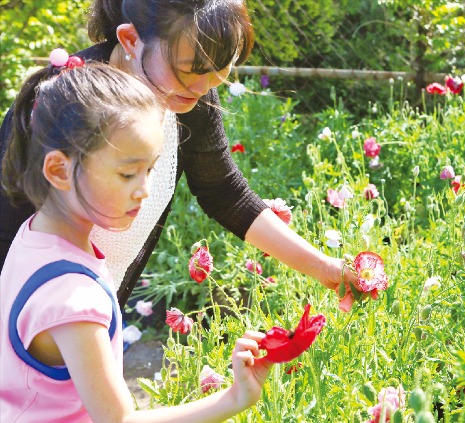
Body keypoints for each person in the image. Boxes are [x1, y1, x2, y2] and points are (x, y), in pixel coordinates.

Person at [0, 0, 356, 308]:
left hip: (93, 311)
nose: (202, 89)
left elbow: (224, 193)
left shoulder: (190, 101)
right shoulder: (66, 102)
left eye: (221, 70)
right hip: (32, 317)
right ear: (130, 40)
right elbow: (7, 226)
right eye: (189, 70)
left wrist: (324, 267)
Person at [0, 57, 271, 421]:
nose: (144, 190)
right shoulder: (73, 300)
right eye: (128, 173)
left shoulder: (33, 238)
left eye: (150, 169)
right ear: (59, 170)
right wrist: (234, 398)